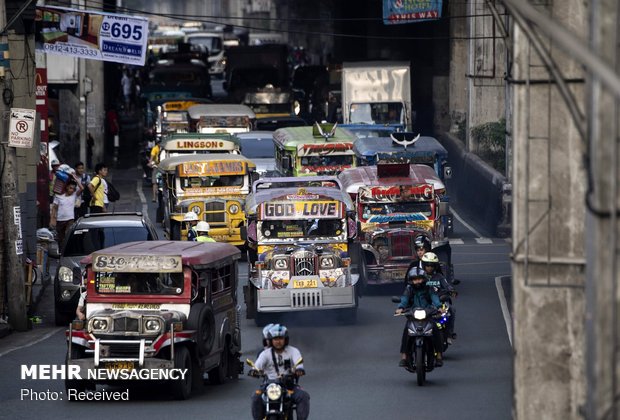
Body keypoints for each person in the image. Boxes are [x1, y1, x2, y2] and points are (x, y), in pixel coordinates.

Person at [249, 325, 310, 420]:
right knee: (255, 396)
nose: (278, 341)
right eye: (275, 339)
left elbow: (299, 363)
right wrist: (254, 370)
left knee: (303, 396)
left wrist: (299, 370)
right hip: (268, 386)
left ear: (286, 339)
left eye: (281, 338)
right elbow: (257, 365)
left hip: (289, 386)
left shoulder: (293, 351)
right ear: (270, 340)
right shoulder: (265, 354)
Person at [395, 267, 444, 367]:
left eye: (419, 279)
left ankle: (439, 355)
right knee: (406, 331)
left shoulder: (428, 288)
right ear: (411, 280)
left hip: (428, 313)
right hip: (412, 314)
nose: (417, 281)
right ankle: (404, 356)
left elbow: (434, 297)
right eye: (414, 279)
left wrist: (439, 307)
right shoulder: (409, 289)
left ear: (424, 279)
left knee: (436, 330)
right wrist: (400, 307)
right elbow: (405, 298)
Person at [421, 251, 457, 343]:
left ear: (435, 266)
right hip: (424, 302)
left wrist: (452, 291)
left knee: (451, 310)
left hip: (440, 301)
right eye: (427, 265)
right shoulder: (420, 276)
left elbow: (447, 285)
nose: (429, 268)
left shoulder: (439, 276)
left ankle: (449, 334)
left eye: (432, 266)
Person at [50, 179, 83, 249]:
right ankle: (60, 251)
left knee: (68, 235)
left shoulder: (74, 195)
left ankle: (68, 250)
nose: (72, 190)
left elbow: (82, 188)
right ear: (67, 187)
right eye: (70, 188)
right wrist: (52, 219)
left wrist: (76, 179)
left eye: (73, 189)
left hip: (70, 219)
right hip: (60, 219)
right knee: (60, 238)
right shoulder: (59, 196)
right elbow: (54, 208)